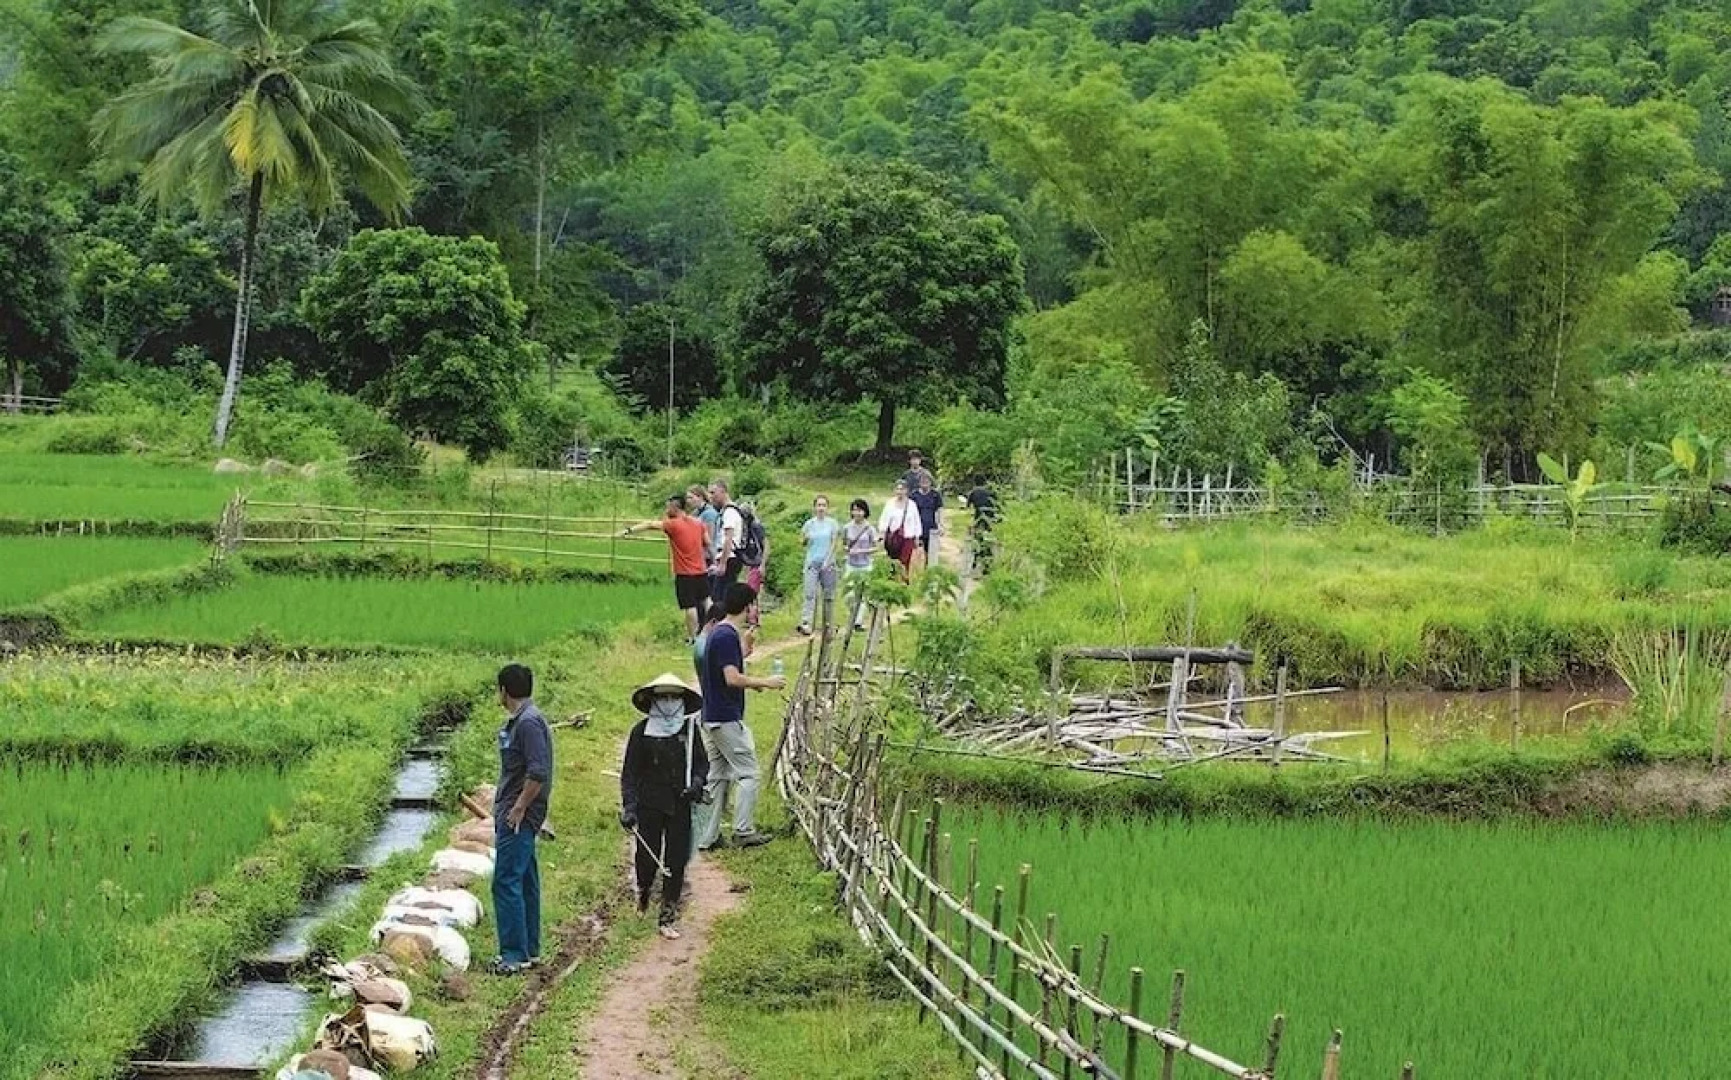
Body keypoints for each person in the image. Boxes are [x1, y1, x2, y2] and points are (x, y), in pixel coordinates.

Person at [694, 582, 785, 850]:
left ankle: (708, 836)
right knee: (749, 773)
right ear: (748, 607)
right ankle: (743, 830)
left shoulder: (721, 633)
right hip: (725, 716)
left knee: (718, 776)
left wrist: (745, 649)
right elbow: (732, 678)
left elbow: (728, 666)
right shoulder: (725, 636)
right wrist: (766, 682)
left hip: (712, 715)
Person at [620, 672, 709, 940]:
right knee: (647, 857)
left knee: (676, 859)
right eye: (664, 697)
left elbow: (702, 764)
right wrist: (629, 807)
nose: (669, 702)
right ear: (654, 701)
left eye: (674, 697)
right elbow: (630, 773)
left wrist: (696, 784)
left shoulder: (689, 731)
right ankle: (644, 892)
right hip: (649, 803)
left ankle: (668, 914)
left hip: (680, 802)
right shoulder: (641, 733)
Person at [489, 663, 552, 976]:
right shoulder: (525, 720)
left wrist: (518, 808)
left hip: (519, 815)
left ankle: (514, 955)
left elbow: (537, 772)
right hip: (520, 812)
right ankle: (530, 949)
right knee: (525, 878)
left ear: (504, 690)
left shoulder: (527, 723)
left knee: (506, 880)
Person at [622, 495, 710, 641]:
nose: (666, 510)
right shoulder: (698, 523)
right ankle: (712, 629)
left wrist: (628, 530)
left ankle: (693, 637)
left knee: (690, 606)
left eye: (668, 507)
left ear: (675, 507)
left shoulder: (672, 524)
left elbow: (650, 524)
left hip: (684, 573)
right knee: (706, 600)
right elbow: (707, 542)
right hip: (701, 570)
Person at [796, 495, 842, 635]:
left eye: (823, 505)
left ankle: (828, 624)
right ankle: (807, 623)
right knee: (809, 593)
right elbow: (801, 541)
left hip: (828, 563)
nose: (821, 508)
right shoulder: (809, 524)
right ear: (814, 507)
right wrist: (805, 539)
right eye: (819, 505)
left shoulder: (832, 524)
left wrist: (828, 560)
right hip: (812, 562)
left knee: (828, 595)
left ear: (827, 508)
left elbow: (834, 543)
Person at [706, 480, 746, 607]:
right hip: (727, 557)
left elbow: (728, 538)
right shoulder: (725, 512)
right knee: (719, 596)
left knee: (720, 599)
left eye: (713, 493)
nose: (711, 497)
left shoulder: (730, 512)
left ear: (723, 491)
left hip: (729, 558)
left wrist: (722, 563)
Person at [841, 498, 878, 631]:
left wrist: (862, 551)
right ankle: (852, 615)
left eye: (860, 510)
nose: (857, 513)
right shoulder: (847, 527)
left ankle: (858, 621)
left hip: (865, 565)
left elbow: (876, 547)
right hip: (851, 564)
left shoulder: (870, 528)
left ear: (865, 512)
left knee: (863, 594)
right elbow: (844, 544)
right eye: (854, 510)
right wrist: (847, 549)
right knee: (849, 594)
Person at [879, 479, 923, 582]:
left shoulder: (912, 505)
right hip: (893, 538)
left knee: (904, 561)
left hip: (907, 538)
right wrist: (882, 534)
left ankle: (903, 581)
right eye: (897, 489)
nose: (900, 491)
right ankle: (891, 581)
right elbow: (884, 520)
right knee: (892, 561)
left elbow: (916, 521)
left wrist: (917, 537)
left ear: (906, 490)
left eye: (902, 489)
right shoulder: (890, 503)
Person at [737, 500, 768, 630]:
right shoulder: (743, 527)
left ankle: (753, 619)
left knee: (752, 592)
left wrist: (763, 564)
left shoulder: (756, 527)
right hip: (747, 562)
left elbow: (766, 545)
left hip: (756, 563)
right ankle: (750, 617)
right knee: (748, 591)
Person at [964, 480, 1000, 575]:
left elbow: (968, 507)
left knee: (978, 542)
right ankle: (987, 565)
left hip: (979, 520)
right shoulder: (991, 492)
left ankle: (975, 564)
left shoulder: (973, 492)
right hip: (990, 520)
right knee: (988, 542)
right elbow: (997, 506)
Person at [909, 472, 944, 570]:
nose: (924, 482)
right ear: (919, 482)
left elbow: (939, 510)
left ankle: (929, 571)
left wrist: (941, 525)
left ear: (931, 481)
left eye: (927, 480)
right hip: (917, 528)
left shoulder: (935, 495)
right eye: (922, 480)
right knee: (917, 553)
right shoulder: (914, 495)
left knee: (931, 554)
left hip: (931, 527)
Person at [688, 484, 720, 562]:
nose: (688, 501)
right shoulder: (695, 512)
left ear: (700, 497)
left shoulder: (709, 513)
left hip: (707, 556)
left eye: (691, 497)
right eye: (687, 498)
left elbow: (710, 538)